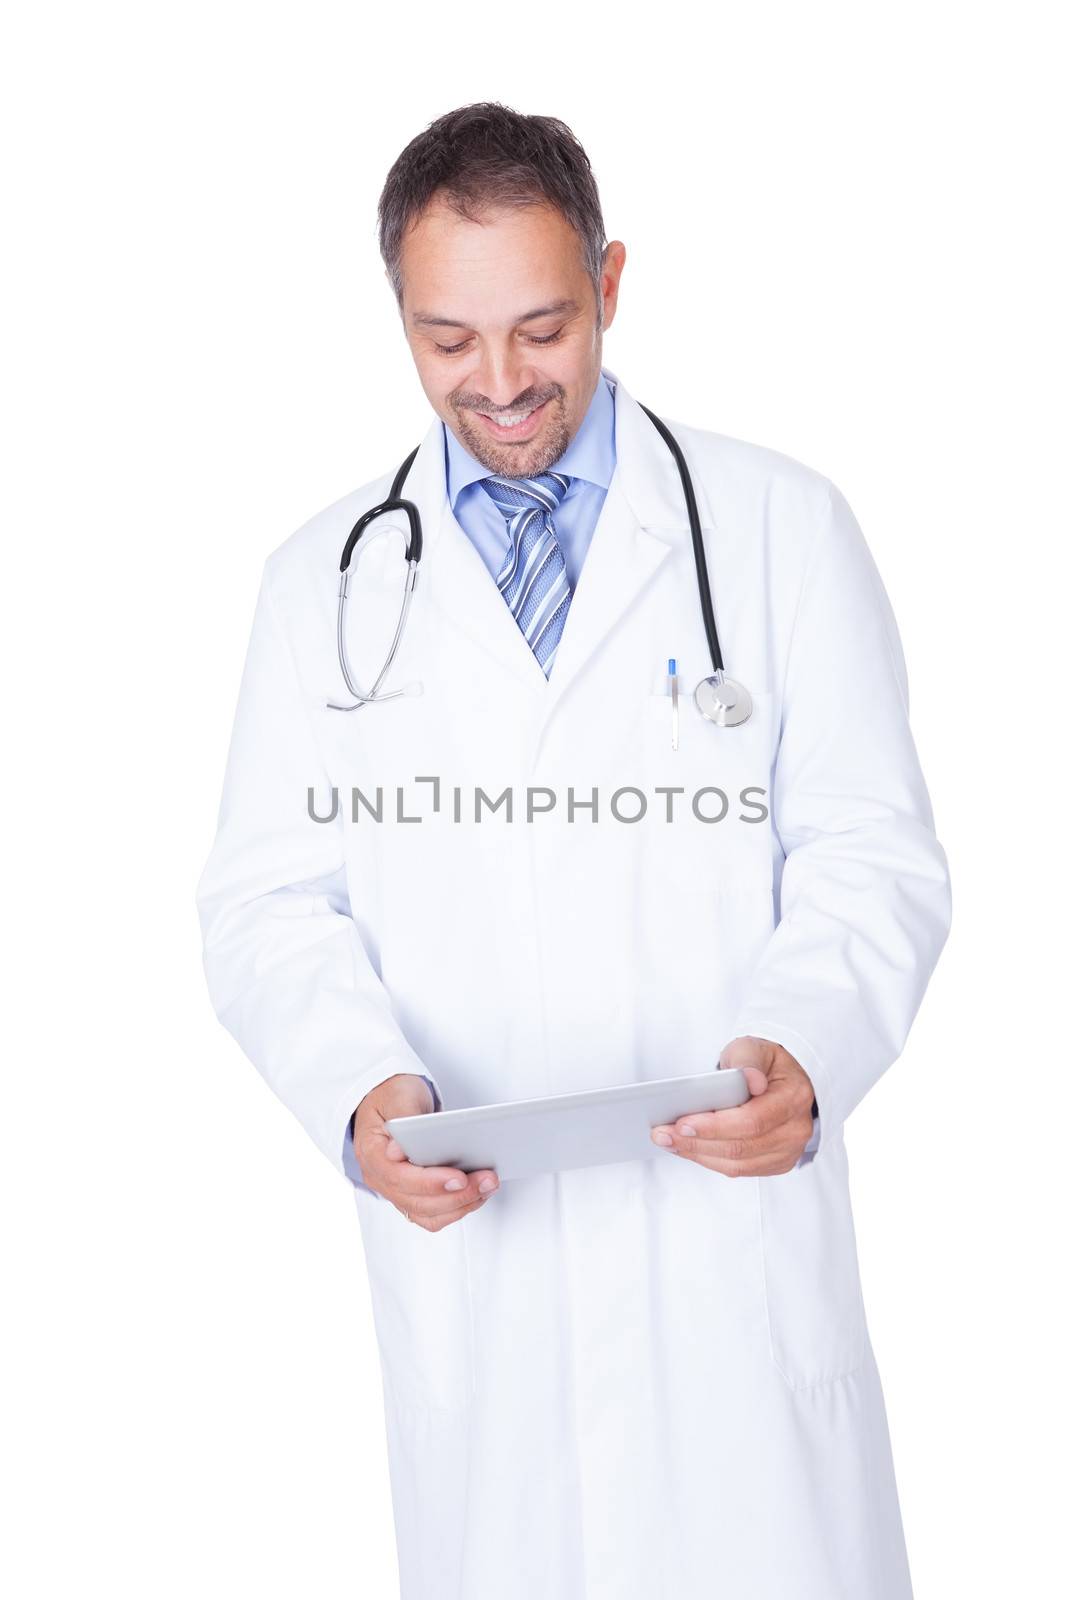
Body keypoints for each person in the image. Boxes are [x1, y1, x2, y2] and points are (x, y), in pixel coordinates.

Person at [196, 101, 951, 1600]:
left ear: (610, 280)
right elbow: (268, 901)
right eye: (448, 340)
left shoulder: (779, 530)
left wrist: (804, 1049)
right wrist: (360, 1093)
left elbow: (873, 854)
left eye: (540, 327)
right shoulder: (319, 585)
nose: (500, 383)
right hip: (484, 1280)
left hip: (729, 1260)